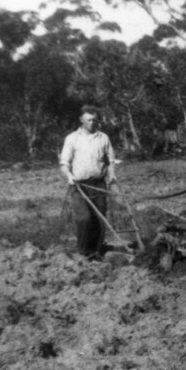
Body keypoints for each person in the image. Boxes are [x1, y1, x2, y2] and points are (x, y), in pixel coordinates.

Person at [60, 106, 117, 258]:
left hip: (99, 184)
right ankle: (84, 252)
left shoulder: (103, 138)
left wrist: (112, 175)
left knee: (100, 219)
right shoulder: (72, 138)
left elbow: (110, 160)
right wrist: (69, 176)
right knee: (84, 218)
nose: (92, 123)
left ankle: (97, 251)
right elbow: (64, 164)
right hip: (79, 186)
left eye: (95, 120)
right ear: (81, 120)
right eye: (89, 120)